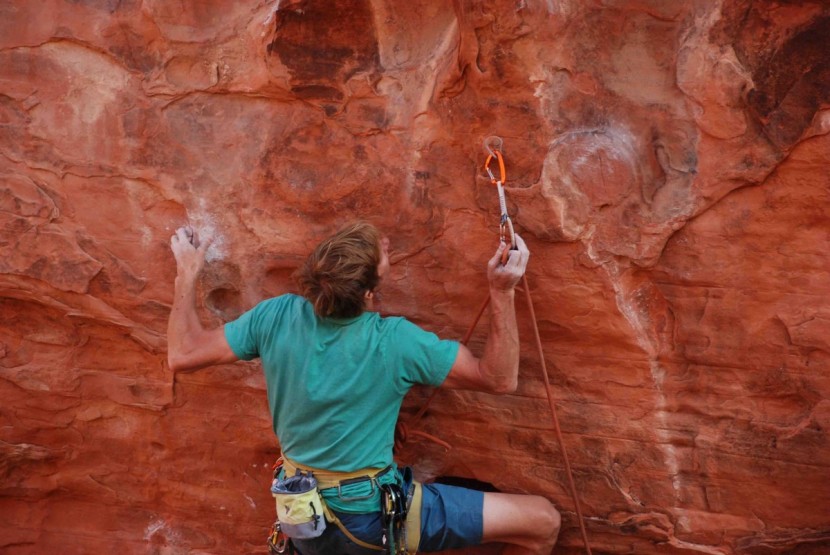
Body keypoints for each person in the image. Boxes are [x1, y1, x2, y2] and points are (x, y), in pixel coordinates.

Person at [167, 221, 560, 554]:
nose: (387, 253)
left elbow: (182, 354)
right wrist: (502, 290)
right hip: (369, 518)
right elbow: (499, 378)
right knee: (542, 520)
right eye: (383, 259)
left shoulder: (277, 317)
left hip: (302, 516)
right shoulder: (395, 342)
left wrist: (187, 271)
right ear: (370, 294)